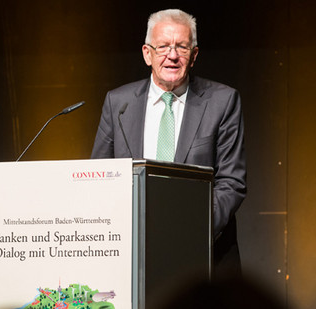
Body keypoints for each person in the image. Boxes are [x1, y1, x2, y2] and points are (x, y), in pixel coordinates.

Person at [91, 9, 247, 279]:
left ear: (194, 55)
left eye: (181, 47)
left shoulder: (223, 102)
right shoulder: (118, 104)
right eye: (163, 46)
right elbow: (98, 180)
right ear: (147, 53)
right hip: (132, 260)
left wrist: (189, 234)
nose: (172, 55)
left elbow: (231, 183)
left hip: (204, 260)